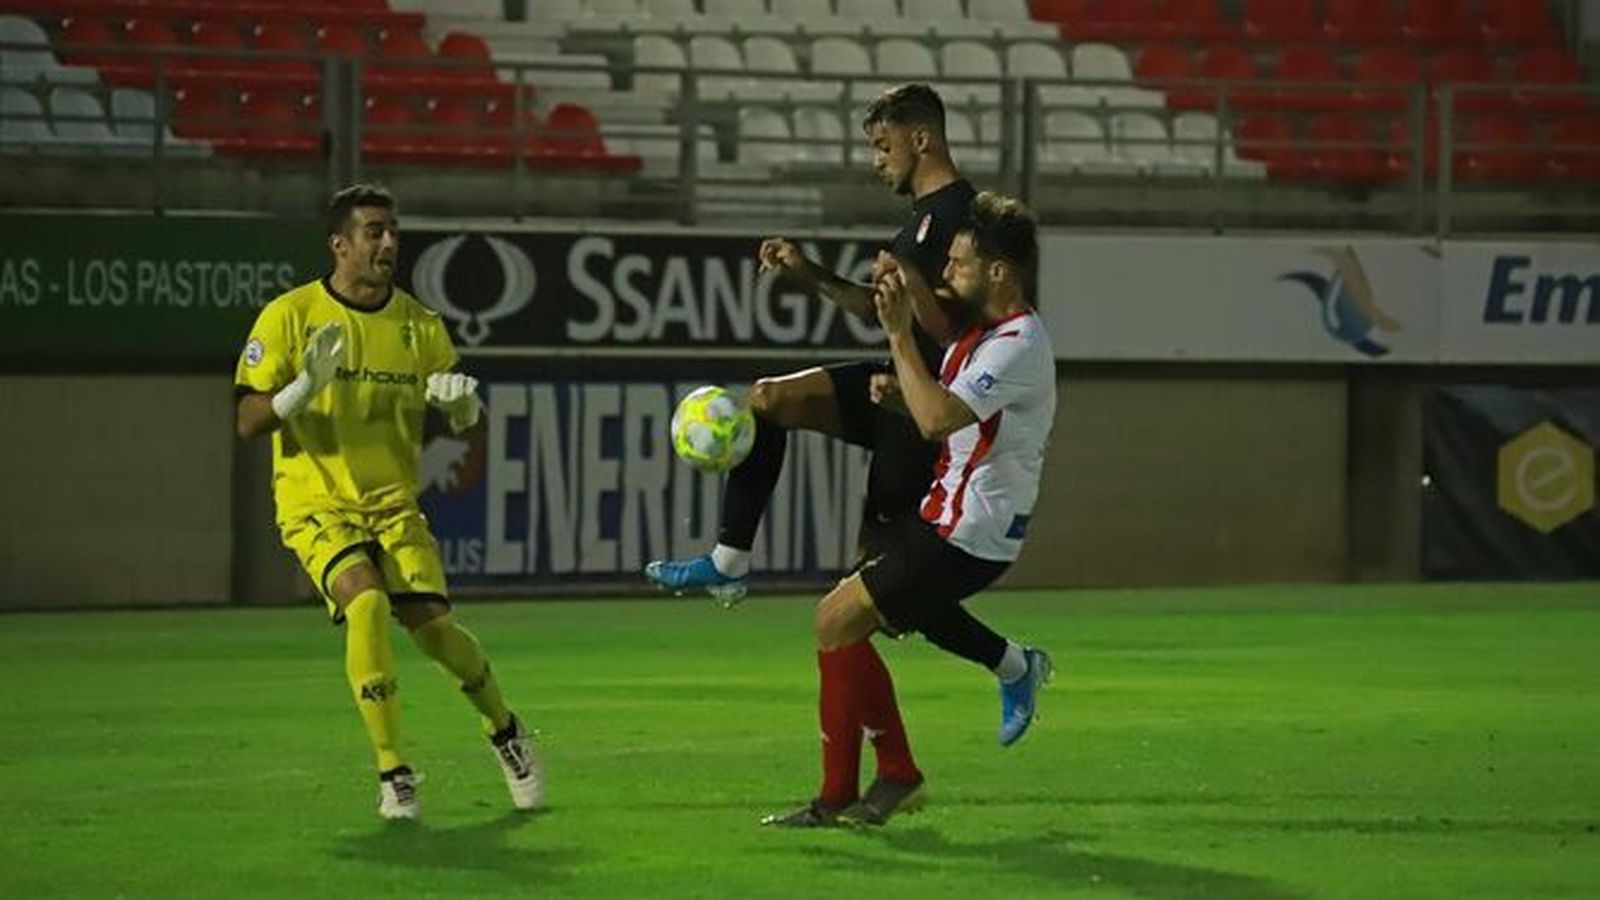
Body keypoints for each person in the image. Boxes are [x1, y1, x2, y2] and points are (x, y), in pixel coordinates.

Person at [234, 184, 542, 821]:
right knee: (367, 602)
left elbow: (468, 424)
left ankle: (505, 730)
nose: (388, 243)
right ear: (339, 244)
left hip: (394, 506)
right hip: (316, 502)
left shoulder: (420, 327)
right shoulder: (290, 316)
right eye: (373, 231)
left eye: (393, 231)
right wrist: (301, 389)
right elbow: (247, 419)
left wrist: (464, 407)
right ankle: (394, 771)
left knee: (435, 631)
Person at [762, 191, 1056, 828]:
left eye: (959, 263)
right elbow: (951, 415)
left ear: (997, 272)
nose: (948, 271)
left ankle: (850, 792)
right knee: (871, 618)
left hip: (969, 531)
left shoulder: (1015, 345)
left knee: (835, 621)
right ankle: (904, 763)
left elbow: (936, 419)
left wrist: (898, 337)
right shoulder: (985, 332)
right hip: (948, 516)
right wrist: (901, 397)